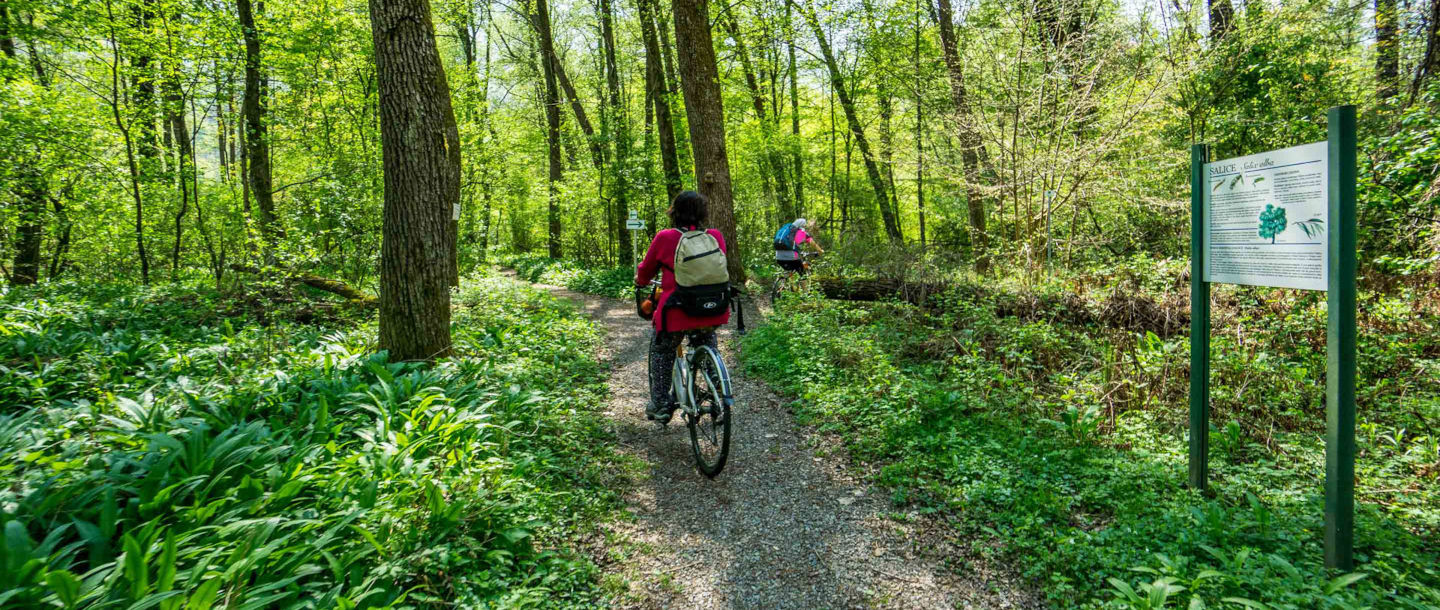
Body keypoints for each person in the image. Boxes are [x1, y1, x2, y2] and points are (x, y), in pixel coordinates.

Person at [635, 191, 731, 423]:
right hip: (713, 309)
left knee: (662, 351)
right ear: (703, 213)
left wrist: (640, 281)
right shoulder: (715, 236)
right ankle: (719, 390)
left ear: (674, 212)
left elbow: (646, 272)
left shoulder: (665, 238)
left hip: (676, 313)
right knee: (707, 342)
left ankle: (660, 403)